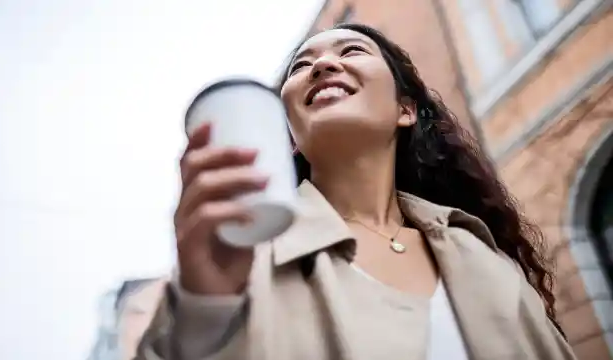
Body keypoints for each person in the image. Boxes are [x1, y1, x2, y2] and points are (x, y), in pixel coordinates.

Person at [132, 23, 576, 360]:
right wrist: (202, 311)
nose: (323, 66)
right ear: (286, 134)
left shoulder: (483, 256)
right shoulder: (241, 265)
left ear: (405, 110)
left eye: (352, 51)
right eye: (301, 66)